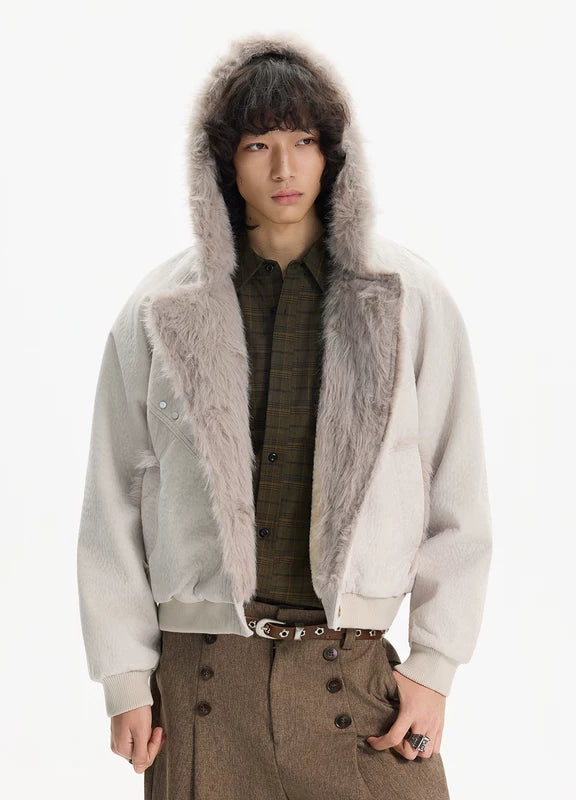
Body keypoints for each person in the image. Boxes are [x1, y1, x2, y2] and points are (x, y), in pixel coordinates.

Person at [77, 32, 493, 800]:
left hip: (357, 689)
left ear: (333, 153)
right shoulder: (157, 310)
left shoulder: (408, 298)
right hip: (201, 691)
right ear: (223, 161)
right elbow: (113, 500)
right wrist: (125, 677)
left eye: (303, 141)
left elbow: (455, 488)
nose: (283, 168)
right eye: (258, 144)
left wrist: (434, 667)